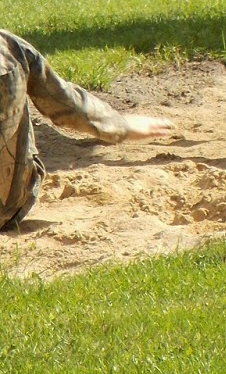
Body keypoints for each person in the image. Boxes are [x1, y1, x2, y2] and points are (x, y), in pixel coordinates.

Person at [1, 29, 173, 231]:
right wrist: (119, 125)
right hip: (8, 209)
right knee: (18, 75)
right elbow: (63, 101)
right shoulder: (9, 48)